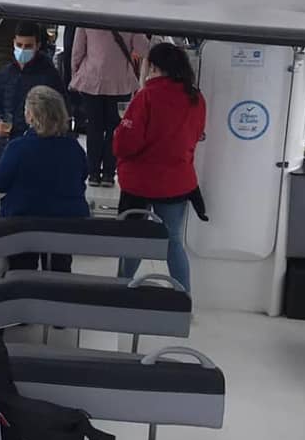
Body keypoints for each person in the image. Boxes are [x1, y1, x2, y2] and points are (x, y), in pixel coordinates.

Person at [114, 42, 206, 293]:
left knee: (134, 240)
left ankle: (121, 291)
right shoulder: (196, 98)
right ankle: (184, 297)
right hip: (177, 183)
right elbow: (196, 134)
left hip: (139, 183)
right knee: (173, 241)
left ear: (153, 67)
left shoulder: (145, 97)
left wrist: (118, 133)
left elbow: (125, 145)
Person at [0, 85, 89, 272]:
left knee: (22, 268)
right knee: (60, 270)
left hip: (24, 224)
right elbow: (83, 175)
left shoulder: (18, 148)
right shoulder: (73, 148)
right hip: (67, 224)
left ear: (30, 116)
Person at [71, 28, 149, 186]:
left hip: (92, 79)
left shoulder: (88, 19)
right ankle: (108, 173)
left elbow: (78, 50)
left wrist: (75, 72)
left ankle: (93, 173)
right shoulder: (130, 20)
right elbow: (144, 48)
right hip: (120, 82)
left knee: (94, 128)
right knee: (115, 129)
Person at [0, 22, 66, 154]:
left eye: (28, 46)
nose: (23, 49)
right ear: (13, 42)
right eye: (19, 45)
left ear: (38, 46)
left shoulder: (49, 75)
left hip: (38, 147)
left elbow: (62, 112)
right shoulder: (6, 72)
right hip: (7, 145)